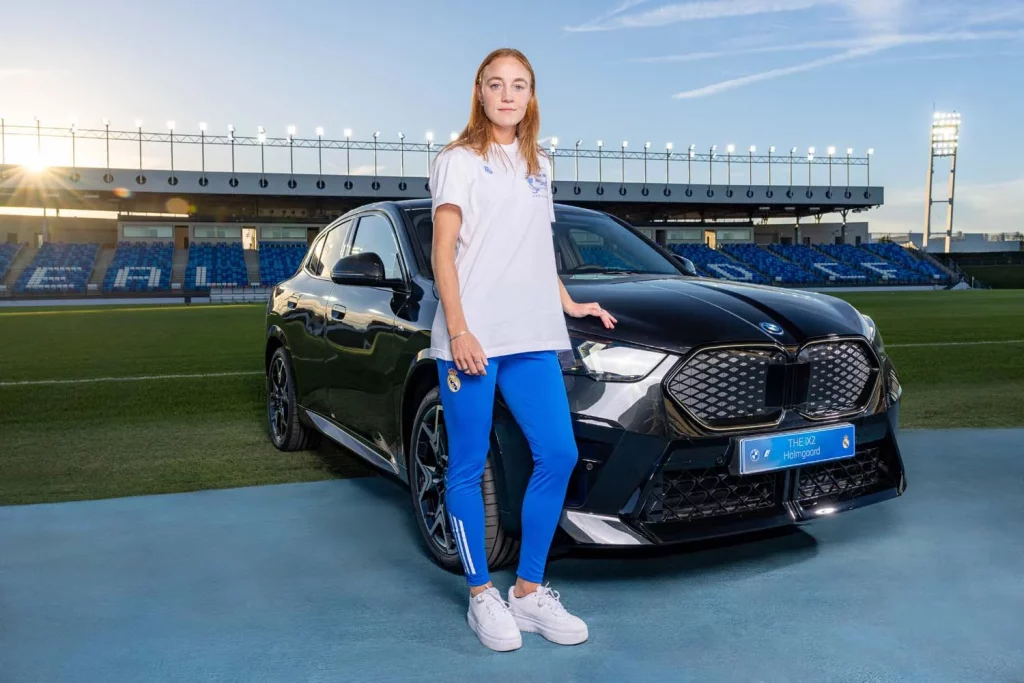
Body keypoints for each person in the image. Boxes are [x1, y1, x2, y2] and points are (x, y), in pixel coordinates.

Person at [427, 47, 617, 652]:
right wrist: (458, 330)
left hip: (532, 335)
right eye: (496, 85)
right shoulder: (457, 160)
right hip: (473, 338)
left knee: (558, 454)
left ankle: (529, 592)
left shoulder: (541, 165)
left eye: (520, 85)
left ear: (531, 96)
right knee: (465, 465)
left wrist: (569, 303)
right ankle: (483, 595)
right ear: (479, 93)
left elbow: (534, 249)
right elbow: (443, 250)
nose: (508, 95)